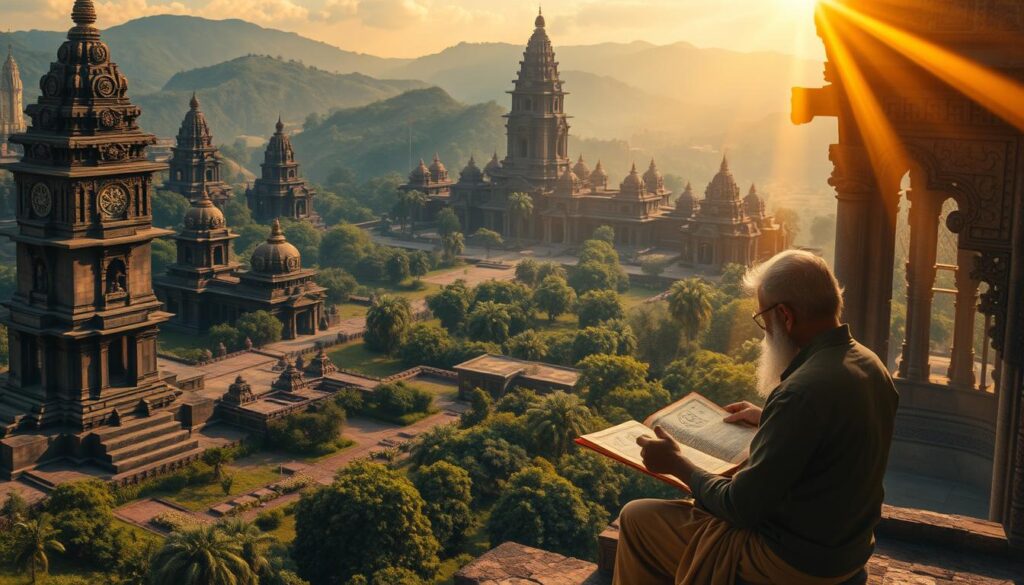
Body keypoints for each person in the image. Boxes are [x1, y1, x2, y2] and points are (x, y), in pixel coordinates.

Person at [614, 250, 899, 585]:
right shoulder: (870, 365)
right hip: (847, 549)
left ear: (785, 315)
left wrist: (678, 463)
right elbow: (836, 437)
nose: (765, 331)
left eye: (763, 320)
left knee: (636, 518)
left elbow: (741, 507)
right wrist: (768, 419)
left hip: (793, 561)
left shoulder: (800, 391)